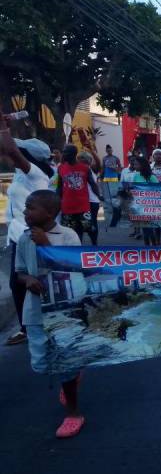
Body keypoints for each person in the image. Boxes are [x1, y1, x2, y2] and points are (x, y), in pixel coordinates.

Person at [16, 190, 84, 437]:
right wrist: (27, 279)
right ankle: (73, 375)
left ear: (49, 213)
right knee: (41, 363)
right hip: (35, 310)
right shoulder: (24, 238)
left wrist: (46, 245)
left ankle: (73, 413)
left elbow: (74, 267)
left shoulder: (68, 236)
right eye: (26, 207)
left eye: (30, 207)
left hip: (64, 308)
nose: (25, 212)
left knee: (65, 361)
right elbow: (19, 271)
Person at [0, 122, 54, 346]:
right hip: (18, 237)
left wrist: (3, 126)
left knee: (32, 283)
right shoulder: (20, 174)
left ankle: (39, 325)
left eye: (20, 152)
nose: (12, 154)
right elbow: (7, 149)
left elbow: (12, 150)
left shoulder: (36, 174)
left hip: (31, 237)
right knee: (20, 284)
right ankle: (29, 327)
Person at [57, 145, 100, 242]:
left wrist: (99, 196)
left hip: (83, 207)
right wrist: (56, 201)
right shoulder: (61, 168)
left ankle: (95, 246)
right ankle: (77, 247)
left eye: (66, 152)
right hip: (67, 207)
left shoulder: (85, 168)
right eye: (63, 152)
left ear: (73, 154)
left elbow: (93, 184)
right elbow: (59, 187)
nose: (63, 154)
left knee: (90, 229)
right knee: (71, 232)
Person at [132, 157, 160, 245]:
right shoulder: (136, 176)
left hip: (150, 206)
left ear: (142, 165)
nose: (134, 166)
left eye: (136, 164)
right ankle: (147, 247)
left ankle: (154, 246)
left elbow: (158, 190)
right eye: (134, 164)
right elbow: (134, 189)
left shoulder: (152, 177)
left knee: (149, 229)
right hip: (140, 206)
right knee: (145, 229)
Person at [77, 151, 101, 245]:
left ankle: (94, 244)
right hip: (82, 201)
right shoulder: (77, 170)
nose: (78, 160)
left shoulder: (92, 169)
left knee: (92, 223)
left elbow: (98, 163)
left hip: (92, 201)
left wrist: (92, 150)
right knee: (81, 224)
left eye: (80, 158)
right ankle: (81, 245)